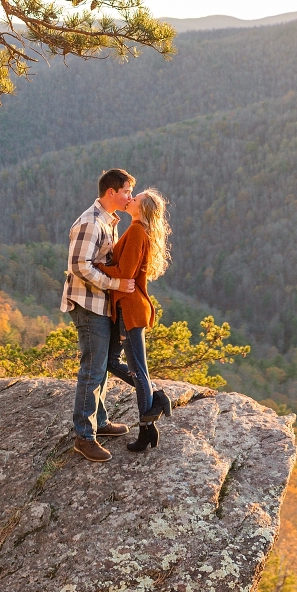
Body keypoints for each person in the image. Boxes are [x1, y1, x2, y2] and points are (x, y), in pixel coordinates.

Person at [61, 168, 137, 463]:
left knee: (101, 365)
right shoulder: (90, 223)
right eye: (127, 192)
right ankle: (84, 436)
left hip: (99, 303)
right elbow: (79, 266)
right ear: (112, 193)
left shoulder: (108, 220)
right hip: (88, 304)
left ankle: (99, 423)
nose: (129, 197)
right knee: (92, 368)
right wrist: (116, 284)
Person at [107, 188, 173, 453]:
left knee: (137, 371)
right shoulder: (137, 230)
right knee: (114, 362)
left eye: (136, 199)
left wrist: (92, 267)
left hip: (130, 310)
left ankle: (146, 430)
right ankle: (156, 397)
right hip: (130, 308)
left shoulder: (136, 231)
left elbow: (124, 273)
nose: (130, 199)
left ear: (142, 209)